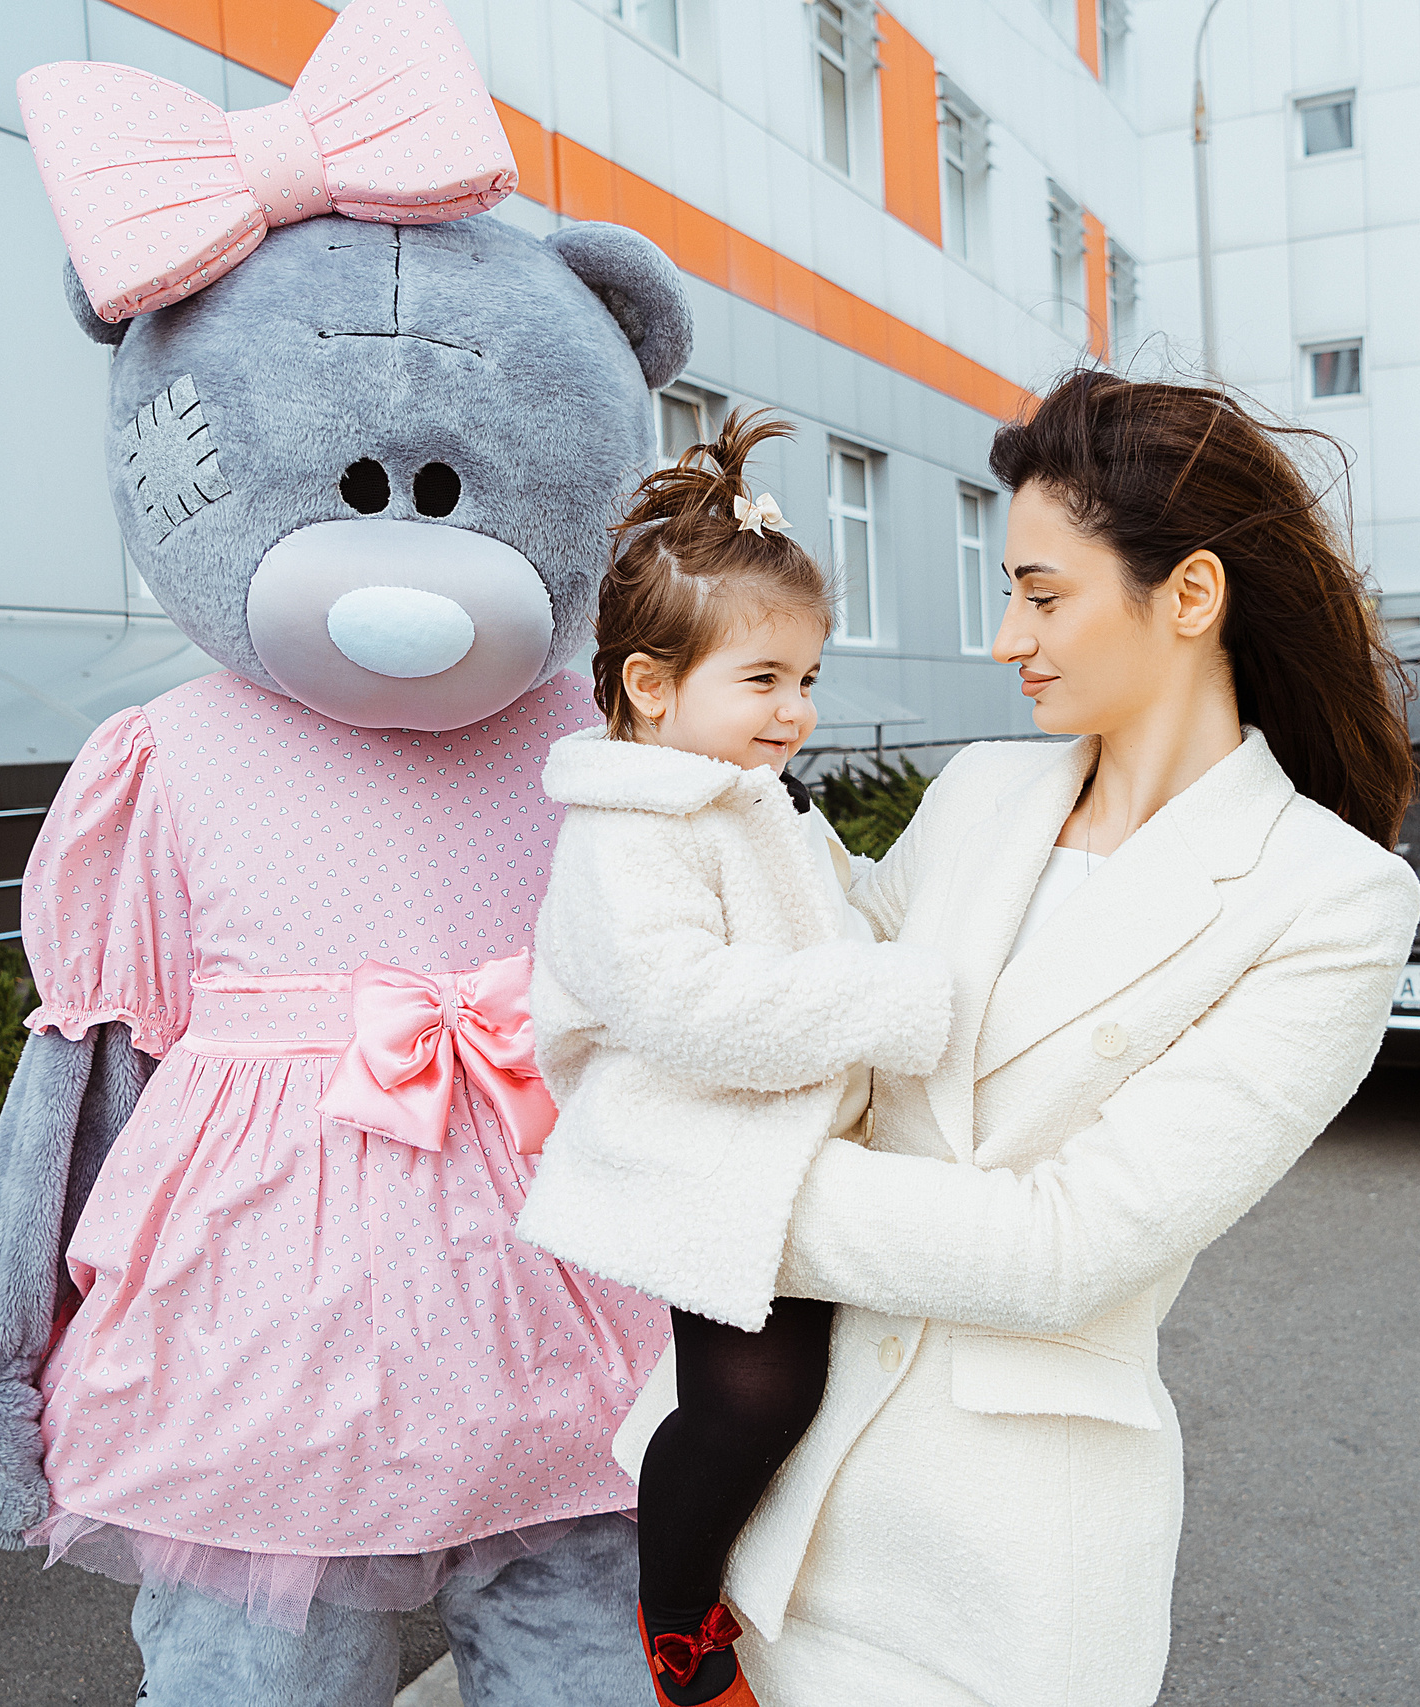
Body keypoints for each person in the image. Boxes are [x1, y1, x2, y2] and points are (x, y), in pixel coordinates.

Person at [654, 371, 1420, 1706]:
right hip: (766, 1523)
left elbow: (1068, 1250)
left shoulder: (1334, 901)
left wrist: (695, 1182)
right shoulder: (983, 791)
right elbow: (828, 1041)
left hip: (1004, 1589)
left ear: (1189, 597)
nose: (1009, 635)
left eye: (1043, 592)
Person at [514, 412, 956, 1707]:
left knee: (798, 1393)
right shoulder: (624, 831)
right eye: (764, 680)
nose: (797, 711)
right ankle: (675, 1621)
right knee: (750, 1401)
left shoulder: (756, 799)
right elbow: (691, 1010)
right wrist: (898, 999)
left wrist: (922, 925)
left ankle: (745, 1570)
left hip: (775, 1147)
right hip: (700, 1150)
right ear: (653, 686)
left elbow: (849, 914)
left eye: (807, 678)